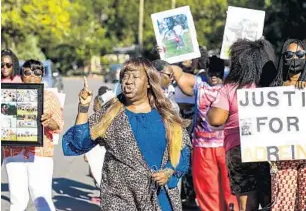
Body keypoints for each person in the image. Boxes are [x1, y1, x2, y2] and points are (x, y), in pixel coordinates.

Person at [62, 57, 191, 211]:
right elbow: (80, 142)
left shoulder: (165, 113)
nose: (128, 81)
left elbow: (183, 149)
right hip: (120, 197)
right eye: (125, 76)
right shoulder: (111, 111)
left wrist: (169, 170)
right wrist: (83, 108)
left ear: (149, 82)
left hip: (158, 195)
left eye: (135, 77)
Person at [207, 39, 277, 211]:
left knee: (246, 201)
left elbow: (216, 119)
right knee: (272, 198)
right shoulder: (271, 87)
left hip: (238, 149)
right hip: (269, 147)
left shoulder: (230, 89)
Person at [171, 55, 238, 211]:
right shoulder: (200, 85)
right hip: (203, 146)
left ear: (223, 71)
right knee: (207, 189)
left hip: (228, 145)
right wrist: (171, 52)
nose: (214, 76)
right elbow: (176, 72)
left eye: (218, 72)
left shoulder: (233, 83)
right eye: (211, 72)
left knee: (231, 189)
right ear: (206, 71)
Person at [3, 59, 64, 211]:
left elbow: (58, 126)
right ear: (21, 75)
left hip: (40, 154)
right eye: (27, 72)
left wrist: (49, 122)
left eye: (37, 72)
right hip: (13, 152)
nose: (32, 76)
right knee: (17, 201)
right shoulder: (8, 95)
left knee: (41, 199)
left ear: (42, 75)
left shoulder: (50, 97)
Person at [270, 39, 306, 211]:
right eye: (289, 55)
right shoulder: (273, 89)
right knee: (283, 203)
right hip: (284, 156)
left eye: (299, 55)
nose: (294, 59)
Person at [84, 86, 115, 205]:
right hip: (98, 153)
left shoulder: (111, 121)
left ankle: (105, 196)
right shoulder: (95, 121)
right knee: (98, 174)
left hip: (105, 155)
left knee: (102, 176)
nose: (94, 108)